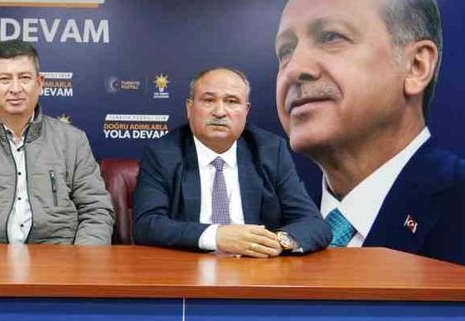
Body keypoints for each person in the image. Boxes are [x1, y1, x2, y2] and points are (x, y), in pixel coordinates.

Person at [275, 0, 465, 269]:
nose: (294, 69)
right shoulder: (270, 223)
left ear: (416, 66)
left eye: (331, 37)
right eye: (285, 51)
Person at [0, 39, 114, 244]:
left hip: (58, 257)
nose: (15, 88)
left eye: (24, 78)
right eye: (5, 79)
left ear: (39, 83)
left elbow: (96, 210)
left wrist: (81, 260)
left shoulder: (73, 142)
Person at [133, 67, 329, 256]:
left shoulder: (270, 150)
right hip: (189, 269)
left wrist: (276, 242)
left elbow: (313, 223)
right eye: (208, 100)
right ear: (189, 108)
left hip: (257, 268)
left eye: (232, 101)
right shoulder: (163, 153)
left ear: (246, 110)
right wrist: (216, 236)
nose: (220, 112)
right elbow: (146, 225)